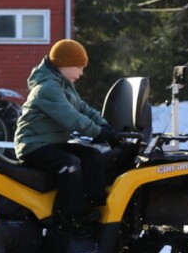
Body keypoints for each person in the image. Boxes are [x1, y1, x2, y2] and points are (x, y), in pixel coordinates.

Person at [15, 39, 117, 231]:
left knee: (92, 156)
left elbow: (82, 108)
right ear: (64, 63)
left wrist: (105, 126)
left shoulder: (63, 85)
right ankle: (70, 216)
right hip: (34, 146)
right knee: (69, 164)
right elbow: (71, 117)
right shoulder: (47, 88)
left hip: (52, 143)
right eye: (79, 67)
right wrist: (99, 133)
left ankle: (94, 205)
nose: (81, 72)